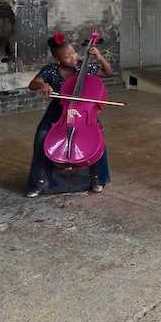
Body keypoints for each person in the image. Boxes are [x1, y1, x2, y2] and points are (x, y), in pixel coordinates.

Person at [25, 31, 114, 197]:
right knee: (41, 137)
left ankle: (98, 178)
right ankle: (39, 181)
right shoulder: (51, 70)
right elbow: (33, 83)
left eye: (73, 53)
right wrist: (42, 85)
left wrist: (99, 57)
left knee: (97, 138)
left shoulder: (82, 66)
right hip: (60, 108)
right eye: (67, 57)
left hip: (83, 111)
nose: (73, 58)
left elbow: (108, 73)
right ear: (58, 60)